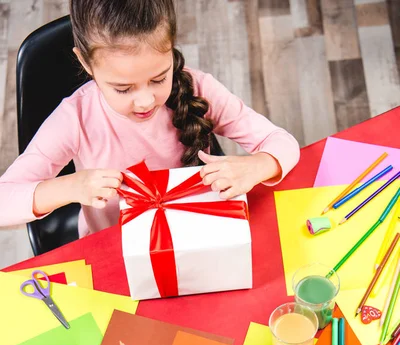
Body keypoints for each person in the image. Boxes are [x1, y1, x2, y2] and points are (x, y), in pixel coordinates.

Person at [0, 0, 300, 237]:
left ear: (171, 50)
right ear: (85, 63)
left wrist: (260, 165)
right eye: (123, 88)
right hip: (114, 243)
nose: (145, 101)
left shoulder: (200, 88)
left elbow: (282, 143)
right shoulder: (74, 119)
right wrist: (70, 187)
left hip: (200, 229)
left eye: (159, 79)